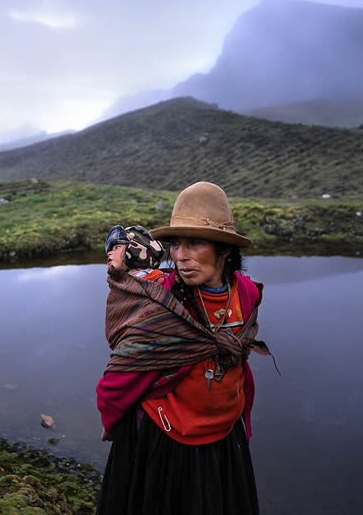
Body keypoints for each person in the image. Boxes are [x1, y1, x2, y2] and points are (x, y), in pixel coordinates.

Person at [96, 181, 270, 515]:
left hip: (223, 438)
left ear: (224, 250)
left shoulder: (245, 294)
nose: (180, 255)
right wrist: (111, 418)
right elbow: (121, 374)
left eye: (194, 243)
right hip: (165, 443)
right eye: (176, 244)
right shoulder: (159, 300)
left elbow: (239, 360)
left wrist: (243, 419)